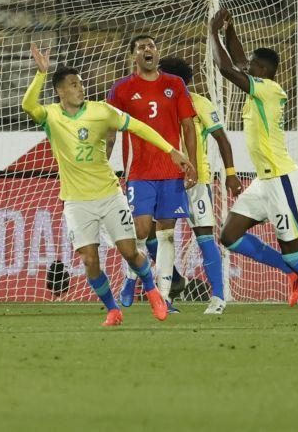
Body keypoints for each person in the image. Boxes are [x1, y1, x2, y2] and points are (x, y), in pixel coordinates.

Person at [22, 44, 194, 326]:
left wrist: (170, 150)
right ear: (60, 91)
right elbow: (28, 105)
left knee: (129, 252)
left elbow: (139, 127)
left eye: (81, 84)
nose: (80, 88)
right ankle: (113, 310)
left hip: (109, 195)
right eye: (74, 85)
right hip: (76, 202)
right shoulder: (51, 116)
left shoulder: (101, 111)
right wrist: (41, 74)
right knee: (90, 260)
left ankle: (153, 293)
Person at [210, 9, 298, 329]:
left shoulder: (268, 89)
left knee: (293, 252)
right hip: (265, 181)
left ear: (261, 71)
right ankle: (292, 271)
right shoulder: (259, 87)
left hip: (283, 180)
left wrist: (212, 33)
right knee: (230, 236)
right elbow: (238, 59)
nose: (245, 67)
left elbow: (227, 68)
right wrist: (230, 29)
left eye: (251, 67)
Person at [108, 35, 198, 312]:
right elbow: (110, 129)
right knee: (141, 229)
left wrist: (191, 164)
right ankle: (129, 279)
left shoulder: (175, 84)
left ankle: (165, 296)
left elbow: (188, 126)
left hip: (171, 171)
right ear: (132, 56)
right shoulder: (122, 89)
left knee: (167, 234)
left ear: (157, 53)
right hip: (139, 171)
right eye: (141, 47)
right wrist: (104, 163)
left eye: (151, 46)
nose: (148, 50)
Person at [158, 56, 243, 315]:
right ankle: (164, 297)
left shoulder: (200, 104)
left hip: (198, 181)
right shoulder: (157, 105)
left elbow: (221, 139)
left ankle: (218, 296)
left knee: (204, 237)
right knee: (163, 238)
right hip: (165, 180)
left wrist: (230, 173)